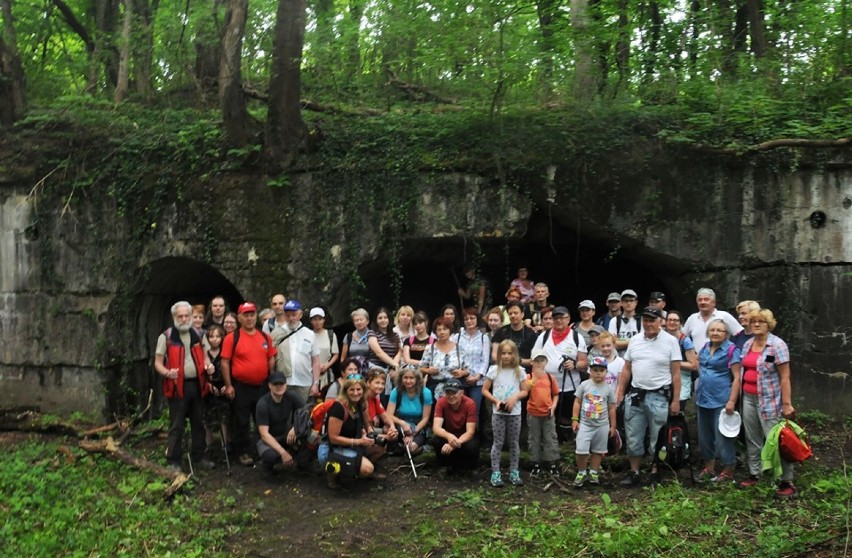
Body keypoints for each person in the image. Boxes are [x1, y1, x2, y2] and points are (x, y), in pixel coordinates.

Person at [616, 306, 681, 487]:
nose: (648, 323)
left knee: (658, 437)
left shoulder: (670, 341)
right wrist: (620, 392)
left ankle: (655, 471)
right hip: (636, 394)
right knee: (633, 435)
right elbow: (627, 368)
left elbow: (676, 373)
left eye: (652, 320)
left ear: (660, 321)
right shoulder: (635, 340)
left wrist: (676, 400)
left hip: (659, 395)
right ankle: (634, 471)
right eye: (645, 320)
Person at [739, 309, 798, 497]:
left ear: (769, 324)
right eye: (753, 321)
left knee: (776, 441)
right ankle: (755, 474)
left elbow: (785, 376)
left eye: (761, 322)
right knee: (752, 438)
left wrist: (787, 404)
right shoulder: (748, 344)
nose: (756, 324)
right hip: (748, 397)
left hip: (770, 400)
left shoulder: (777, 345)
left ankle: (786, 481)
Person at [153, 301, 215, 471]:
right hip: (177, 386)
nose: (184, 318)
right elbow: (157, 363)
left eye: (186, 315)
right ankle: (174, 461)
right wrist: (167, 373)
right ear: (174, 317)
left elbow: (206, 357)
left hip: (198, 385)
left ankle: (199, 457)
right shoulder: (166, 336)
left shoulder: (199, 334)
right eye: (180, 316)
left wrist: (209, 366)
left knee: (198, 422)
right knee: (176, 425)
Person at [221, 302, 276, 466]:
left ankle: (262, 450)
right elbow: (225, 363)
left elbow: (271, 357)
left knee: (262, 419)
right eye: (246, 315)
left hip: (262, 385)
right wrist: (229, 385)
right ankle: (243, 452)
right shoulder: (232, 337)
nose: (249, 318)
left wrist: (271, 378)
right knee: (242, 421)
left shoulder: (265, 336)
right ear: (239, 318)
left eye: (252, 314)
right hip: (241, 386)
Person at [694, 319, 742, 484]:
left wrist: (732, 401)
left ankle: (728, 470)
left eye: (719, 330)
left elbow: (737, 378)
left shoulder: (731, 350)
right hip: (702, 398)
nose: (715, 333)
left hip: (721, 399)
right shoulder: (705, 348)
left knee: (722, 437)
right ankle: (709, 468)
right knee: (705, 437)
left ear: (726, 333)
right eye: (712, 330)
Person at [530, 306, 588, 433]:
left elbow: (584, 362)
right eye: (555, 318)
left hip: (570, 386)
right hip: (547, 386)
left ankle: (567, 440)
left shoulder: (577, 337)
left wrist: (575, 365)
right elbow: (534, 358)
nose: (559, 321)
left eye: (562, 318)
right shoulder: (544, 336)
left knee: (568, 416)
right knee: (548, 415)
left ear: (568, 319)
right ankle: (549, 439)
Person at [319, 376, 379, 488]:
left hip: (351, 444)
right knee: (368, 469)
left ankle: (351, 471)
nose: (355, 393)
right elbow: (333, 438)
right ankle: (334, 475)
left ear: (364, 390)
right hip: (332, 448)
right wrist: (360, 441)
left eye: (358, 389)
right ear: (345, 391)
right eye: (352, 389)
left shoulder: (359, 404)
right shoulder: (338, 407)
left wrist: (371, 434)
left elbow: (367, 425)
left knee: (379, 449)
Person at [484, 340, 529, 488]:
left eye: (510, 353)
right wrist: (495, 400)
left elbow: (525, 390)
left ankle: (514, 471)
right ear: (499, 354)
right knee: (498, 442)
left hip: (515, 413)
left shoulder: (520, 371)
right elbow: (484, 390)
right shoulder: (494, 370)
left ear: (515, 354)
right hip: (498, 412)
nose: (506, 356)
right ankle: (495, 472)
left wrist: (515, 397)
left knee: (514, 442)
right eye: (503, 353)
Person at [572, 356, 617, 487]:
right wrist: (575, 419)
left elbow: (612, 407)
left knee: (598, 450)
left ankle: (593, 472)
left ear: (606, 372)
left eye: (601, 370)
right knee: (581, 450)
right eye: (595, 370)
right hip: (585, 424)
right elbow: (577, 402)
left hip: (602, 425)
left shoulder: (608, 389)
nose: (598, 373)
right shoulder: (584, 385)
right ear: (590, 371)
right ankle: (581, 472)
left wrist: (613, 425)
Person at [270, 299, 321, 404]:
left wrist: (315, 383)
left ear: (300, 314)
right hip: (283, 382)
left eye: (294, 315)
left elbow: (315, 361)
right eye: (287, 315)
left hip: (304, 382)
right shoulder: (276, 334)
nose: (291, 318)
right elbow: (271, 359)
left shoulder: (309, 334)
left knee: (303, 413)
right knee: (284, 416)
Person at [255, 372, 306, 473]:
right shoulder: (263, 404)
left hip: (285, 434)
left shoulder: (291, 396)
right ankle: (268, 469)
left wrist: (295, 427)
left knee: (308, 436)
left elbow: (306, 411)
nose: (279, 387)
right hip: (267, 439)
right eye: (275, 384)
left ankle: (304, 464)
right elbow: (264, 434)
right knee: (271, 456)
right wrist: (283, 452)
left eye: (281, 384)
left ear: (286, 385)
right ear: (269, 386)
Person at [432, 378, 480, 471]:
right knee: (436, 441)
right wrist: (449, 436)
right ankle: (445, 465)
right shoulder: (441, 402)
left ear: (462, 393)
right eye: (448, 393)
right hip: (449, 433)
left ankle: (469, 468)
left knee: (472, 445)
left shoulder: (470, 403)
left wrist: (454, 443)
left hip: (464, 435)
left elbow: (470, 432)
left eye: (454, 393)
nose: (450, 396)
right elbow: (436, 428)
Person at [525, 353, 560, 477]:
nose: (539, 363)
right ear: (532, 362)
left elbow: (555, 393)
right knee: (534, 438)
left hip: (548, 413)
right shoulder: (528, 377)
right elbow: (524, 391)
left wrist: (554, 406)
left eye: (542, 361)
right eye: (537, 361)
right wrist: (533, 379)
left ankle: (552, 463)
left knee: (550, 437)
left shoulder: (550, 377)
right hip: (533, 413)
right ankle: (535, 464)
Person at [386, 366, 433, 455]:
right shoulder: (396, 391)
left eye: (411, 378)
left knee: (411, 448)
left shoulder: (426, 393)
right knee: (386, 429)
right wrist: (402, 423)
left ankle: (420, 448)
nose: (408, 381)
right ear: (401, 378)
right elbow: (388, 414)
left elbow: (425, 419)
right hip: (401, 426)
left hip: (418, 427)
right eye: (405, 378)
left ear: (417, 379)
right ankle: (397, 447)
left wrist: (412, 433)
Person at [453, 307, 491, 415]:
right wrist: (462, 373)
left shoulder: (484, 338)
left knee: (474, 411)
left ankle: (474, 432)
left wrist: (477, 376)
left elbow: (485, 360)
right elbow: (453, 357)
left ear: (477, 319)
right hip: (460, 379)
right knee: (459, 410)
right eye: (466, 319)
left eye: (472, 318)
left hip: (477, 381)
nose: (469, 321)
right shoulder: (457, 337)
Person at [419, 317, 467, 399]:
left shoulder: (459, 349)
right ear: (435, 332)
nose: (442, 332)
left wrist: (461, 373)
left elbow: (467, 370)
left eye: (445, 329)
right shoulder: (430, 348)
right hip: (435, 388)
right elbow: (421, 368)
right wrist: (429, 371)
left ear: (450, 330)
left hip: (456, 389)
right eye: (439, 330)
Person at [202, 324, 230, 454]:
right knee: (207, 416)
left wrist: (227, 384)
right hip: (210, 388)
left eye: (218, 336)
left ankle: (225, 443)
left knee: (224, 417)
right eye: (211, 336)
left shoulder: (225, 352)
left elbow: (231, 369)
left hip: (223, 386)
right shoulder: (204, 354)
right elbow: (201, 374)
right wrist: (209, 385)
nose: (214, 339)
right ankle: (209, 444)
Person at [664, 310, 699, 411]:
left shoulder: (685, 341)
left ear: (680, 323)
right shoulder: (660, 337)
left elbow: (694, 365)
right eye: (669, 320)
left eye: (675, 320)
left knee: (677, 412)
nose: (672, 322)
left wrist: (674, 363)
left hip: (682, 379)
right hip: (663, 379)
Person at [363, 368, 400, 463]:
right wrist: (386, 437)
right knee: (382, 445)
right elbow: (367, 431)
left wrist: (392, 428)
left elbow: (385, 417)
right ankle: (365, 468)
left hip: (370, 431)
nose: (380, 386)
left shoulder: (375, 399)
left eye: (382, 383)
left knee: (389, 429)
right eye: (377, 383)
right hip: (361, 434)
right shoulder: (363, 400)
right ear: (368, 383)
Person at [368, 307, 402, 403]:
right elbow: (378, 352)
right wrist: (394, 365)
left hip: (391, 370)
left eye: (385, 317)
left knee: (395, 395)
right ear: (376, 320)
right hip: (376, 368)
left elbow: (400, 351)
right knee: (380, 397)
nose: (383, 320)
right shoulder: (372, 333)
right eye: (380, 318)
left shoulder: (395, 334)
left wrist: (393, 367)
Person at [491, 301, 537, 368]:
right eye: (510, 313)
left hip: (524, 372)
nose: (513, 316)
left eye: (516, 313)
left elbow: (534, 360)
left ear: (522, 314)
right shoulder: (501, 331)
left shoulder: (531, 334)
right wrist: (506, 361)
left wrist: (519, 361)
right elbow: (494, 355)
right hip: (504, 369)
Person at [309, 307, 339, 395]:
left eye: (320, 319)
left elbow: (336, 354)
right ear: (311, 321)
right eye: (314, 319)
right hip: (310, 372)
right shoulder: (308, 335)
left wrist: (327, 365)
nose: (317, 322)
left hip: (326, 372)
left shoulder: (331, 335)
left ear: (324, 320)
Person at [608, 289, 641, 355]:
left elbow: (643, 343)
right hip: (619, 361)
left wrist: (620, 341)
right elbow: (613, 345)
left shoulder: (642, 320)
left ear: (636, 302)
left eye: (631, 300)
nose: (629, 303)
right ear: (621, 303)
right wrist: (635, 341)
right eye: (626, 301)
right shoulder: (614, 321)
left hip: (637, 359)